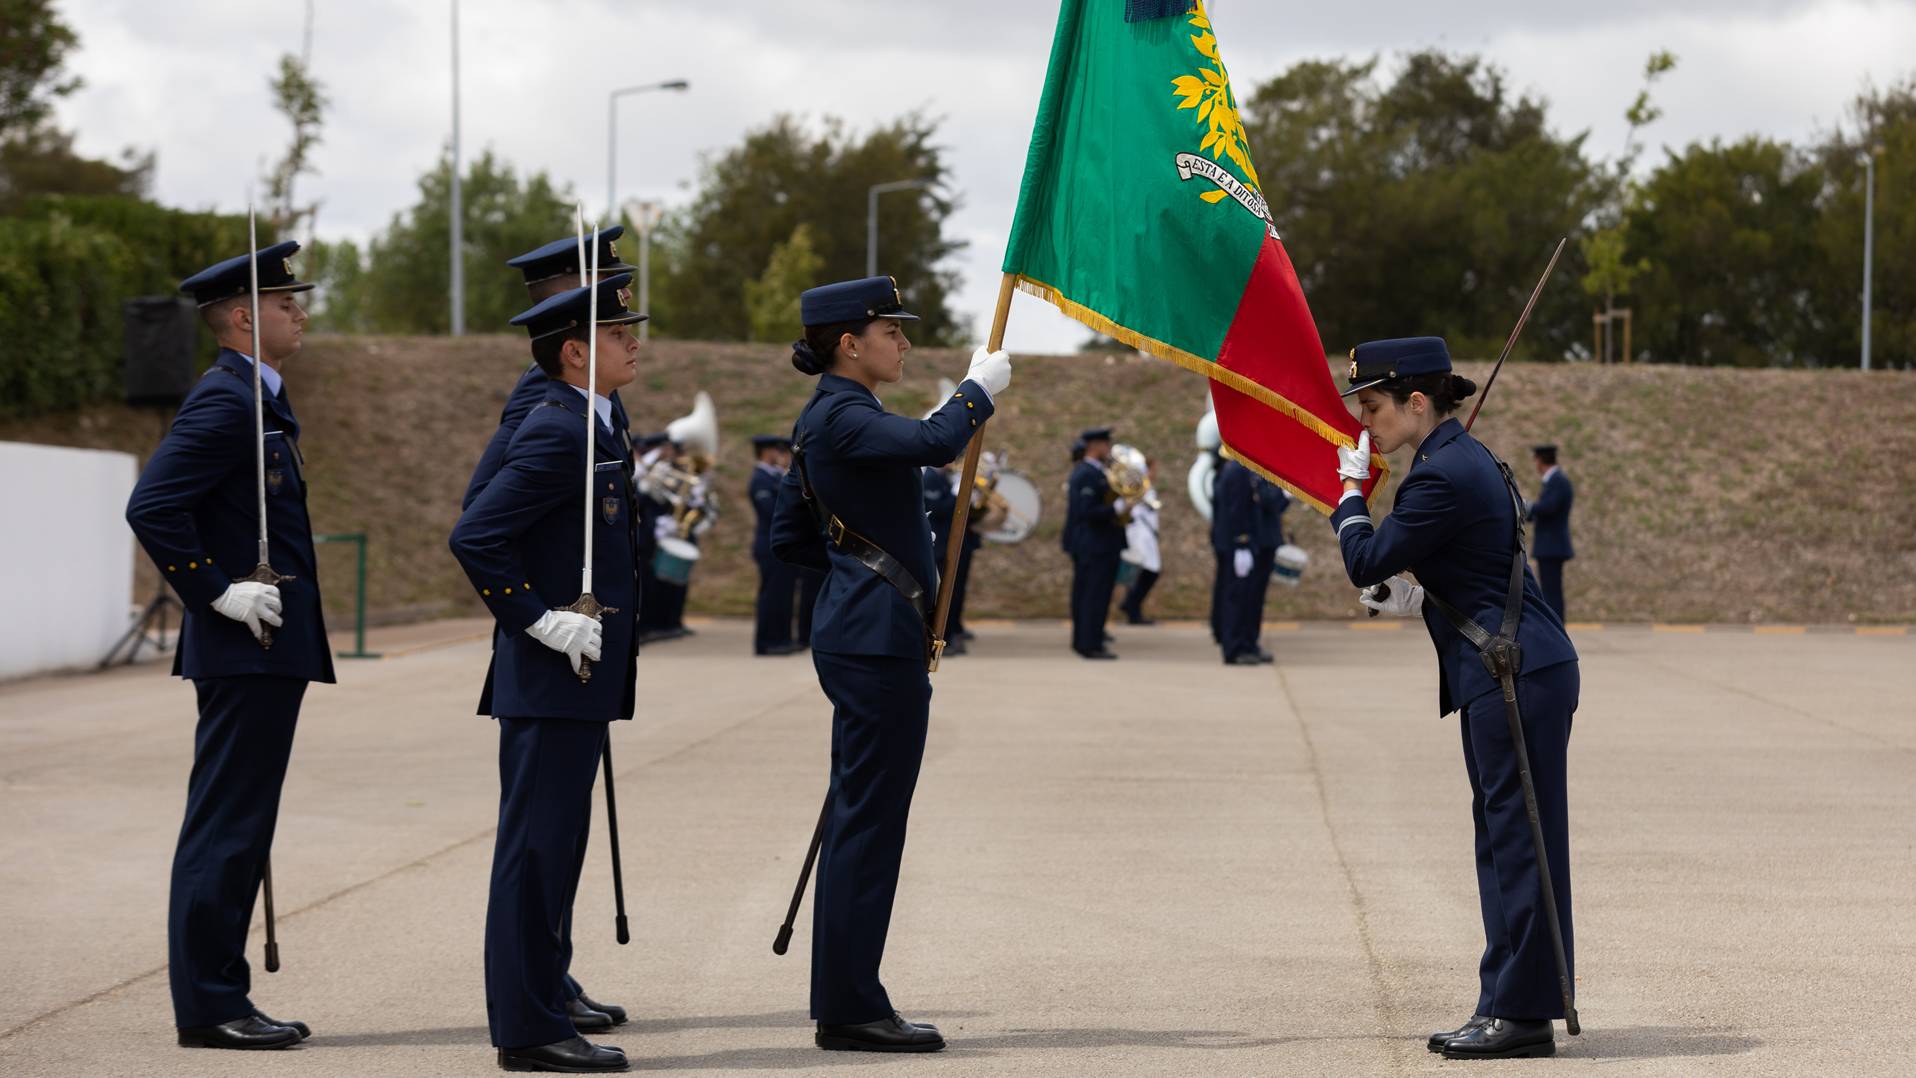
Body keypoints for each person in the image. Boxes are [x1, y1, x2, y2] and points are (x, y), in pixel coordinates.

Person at [769, 275, 1011, 1052]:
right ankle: (850, 1009)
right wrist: (978, 390)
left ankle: (847, 998)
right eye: (891, 331)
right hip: (874, 642)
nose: (902, 343)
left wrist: (856, 564)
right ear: (850, 342)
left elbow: (792, 540)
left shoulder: (830, 419)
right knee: (869, 824)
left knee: (862, 817)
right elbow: (937, 443)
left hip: (869, 633)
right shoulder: (842, 416)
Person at [1329, 337, 1579, 1060]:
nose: (1365, 422)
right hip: (1514, 666)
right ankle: (1507, 1001)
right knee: (1507, 842)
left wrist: (1349, 497)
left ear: (1416, 402)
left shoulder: (1439, 475)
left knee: (1516, 845)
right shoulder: (1464, 461)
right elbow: (1469, 569)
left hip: (1512, 674)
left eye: (1372, 406)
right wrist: (1416, 601)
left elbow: (1363, 559)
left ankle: (1521, 1014)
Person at [125, 242, 332, 1051]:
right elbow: (153, 506)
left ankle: (221, 993)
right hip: (245, 643)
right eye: (287, 303)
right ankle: (211, 1004)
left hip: (265, 646)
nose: (301, 311)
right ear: (245, 317)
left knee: (240, 821)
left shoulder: (258, 399)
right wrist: (213, 590)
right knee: (228, 825)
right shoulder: (226, 403)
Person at [448, 274, 645, 1074]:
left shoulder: (592, 422)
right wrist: (538, 616)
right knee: (534, 855)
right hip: (550, 670)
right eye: (618, 331)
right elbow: (476, 534)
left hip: (578, 674)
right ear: (573, 352)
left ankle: (544, 998)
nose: (635, 340)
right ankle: (528, 1030)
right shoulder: (558, 427)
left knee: (556, 850)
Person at [464, 226, 636, 511]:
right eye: (610, 282)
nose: (626, 294)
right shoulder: (546, 383)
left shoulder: (592, 377)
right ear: (575, 292)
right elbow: (481, 502)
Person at [1064, 427, 1126, 659]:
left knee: (1093, 594)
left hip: (1100, 543)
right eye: (1105, 444)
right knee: (1093, 595)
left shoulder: (1098, 472)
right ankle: (1089, 643)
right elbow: (1086, 511)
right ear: (1095, 446)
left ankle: (1088, 640)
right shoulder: (1086, 474)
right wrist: (1117, 508)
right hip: (1094, 544)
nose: (1108, 449)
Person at [751, 435, 805, 655]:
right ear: (766, 452)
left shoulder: (773, 477)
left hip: (781, 545)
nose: (782, 456)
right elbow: (773, 511)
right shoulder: (760, 479)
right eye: (777, 451)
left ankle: (782, 638)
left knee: (784, 594)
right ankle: (767, 642)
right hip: (768, 544)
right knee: (772, 594)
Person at [1211, 457, 1267, 665]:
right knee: (1236, 598)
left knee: (1243, 597)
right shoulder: (1237, 471)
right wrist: (1241, 542)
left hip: (1239, 543)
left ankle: (1241, 645)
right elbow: (1236, 510)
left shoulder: (1239, 469)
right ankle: (1233, 648)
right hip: (1238, 544)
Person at [1526, 444, 1574, 621]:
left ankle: (1557, 626)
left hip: (1552, 545)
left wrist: (1527, 507)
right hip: (1551, 545)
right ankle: (1556, 625)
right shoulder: (1555, 480)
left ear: (1539, 461)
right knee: (1550, 590)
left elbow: (1549, 507)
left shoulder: (1557, 481)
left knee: (1551, 592)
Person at [1119, 460, 1162, 625]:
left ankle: (1132, 607)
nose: (1155, 474)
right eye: (1153, 470)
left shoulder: (1148, 488)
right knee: (1148, 572)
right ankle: (1131, 606)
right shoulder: (1138, 486)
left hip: (1147, 534)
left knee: (1146, 572)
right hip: (1139, 534)